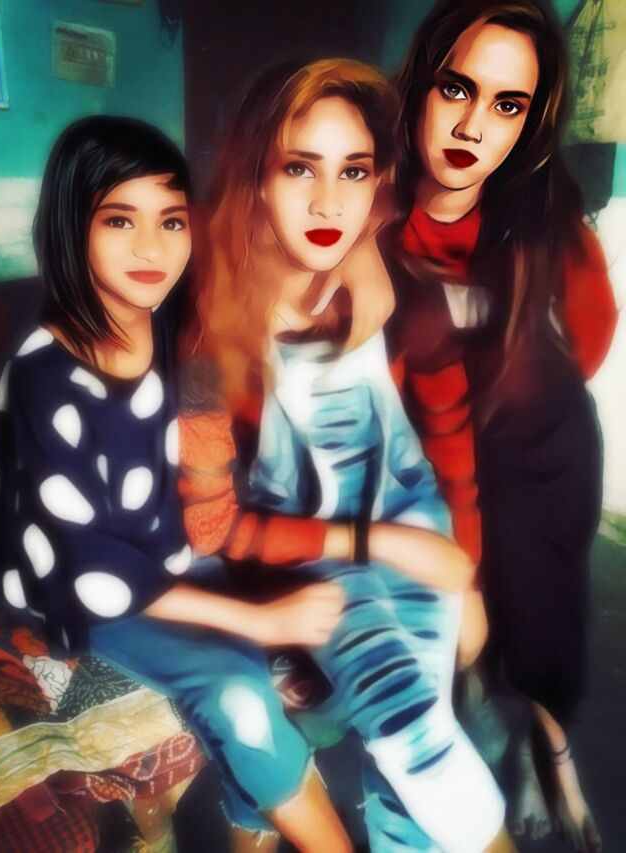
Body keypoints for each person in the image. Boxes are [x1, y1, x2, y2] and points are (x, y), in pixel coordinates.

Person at [0, 115, 353, 853]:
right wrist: (259, 620)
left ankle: (248, 821)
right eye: (119, 219)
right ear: (71, 227)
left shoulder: (162, 322)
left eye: (172, 220)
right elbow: (90, 566)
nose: (152, 248)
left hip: (171, 553)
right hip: (83, 588)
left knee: (349, 635)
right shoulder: (43, 376)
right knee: (238, 693)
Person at [182, 58, 513, 853]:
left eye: (353, 171)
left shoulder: (402, 292)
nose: (330, 202)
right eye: (300, 168)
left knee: (411, 754)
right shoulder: (206, 338)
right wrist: (372, 547)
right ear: (257, 179)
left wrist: (464, 571)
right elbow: (212, 525)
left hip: (414, 535)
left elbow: (449, 441)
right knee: (407, 731)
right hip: (301, 562)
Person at [383, 2, 617, 850]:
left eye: (507, 104)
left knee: (544, 615)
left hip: (541, 454)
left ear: (529, 123)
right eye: (457, 88)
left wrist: (519, 391)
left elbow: (590, 329)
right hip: (423, 461)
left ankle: (552, 754)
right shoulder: (361, 207)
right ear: (421, 83)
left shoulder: (545, 212)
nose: (474, 126)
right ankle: (474, 736)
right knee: (454, 629)